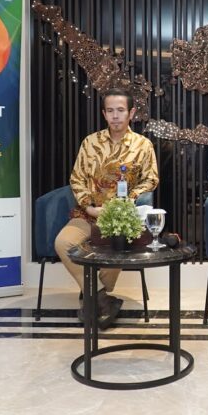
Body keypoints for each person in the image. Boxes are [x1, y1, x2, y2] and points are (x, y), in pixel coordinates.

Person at [55, 88, 159, 329]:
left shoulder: (142, 145)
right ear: (104, 114)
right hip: (88, 214)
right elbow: (77, 179)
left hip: (121, 218)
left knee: (116, 251)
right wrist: (90, 207)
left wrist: (129, 199)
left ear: (131, 113)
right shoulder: (90, 142)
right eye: (110, 111)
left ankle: (90, 298)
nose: (115, 115)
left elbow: (151, 179)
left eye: (120, 110)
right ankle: (101, 298)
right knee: (63, 242)